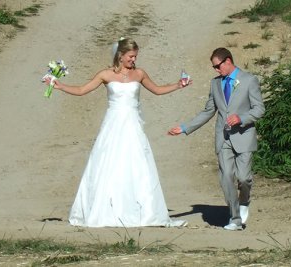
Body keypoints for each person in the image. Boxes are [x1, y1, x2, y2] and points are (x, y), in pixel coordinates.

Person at [46, 38, 190, 228]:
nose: (133, 59)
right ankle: (106, 210)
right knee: (109, 162)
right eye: (131, 56)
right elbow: (82, 90)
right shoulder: (105, 74)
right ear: (120, 56)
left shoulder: (139, 74)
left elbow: (157, 90)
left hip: (132, 125)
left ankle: (141, 211)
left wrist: (178, 85)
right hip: (113, 125)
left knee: (136, 164)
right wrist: (59, 86)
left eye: (135, 56)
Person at [168, 47, 265, 231]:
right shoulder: (215, 84)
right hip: (223, 138)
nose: (216, 70)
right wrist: (184, 127)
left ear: (228, 61)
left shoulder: (249, 80)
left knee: (244, 178)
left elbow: (259, 109)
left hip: (244, 136)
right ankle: (235, 219)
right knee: (226, 177)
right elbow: (208, 111)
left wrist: (241, 118)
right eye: (214, 67)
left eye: (217, 66)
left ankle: (244, 202)